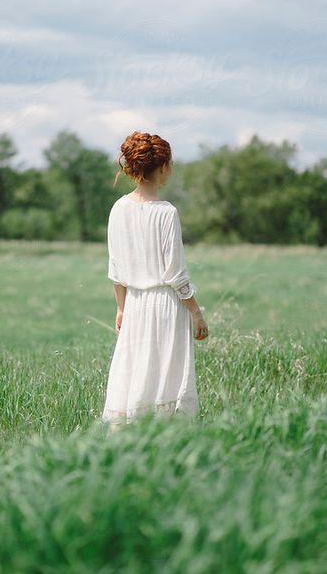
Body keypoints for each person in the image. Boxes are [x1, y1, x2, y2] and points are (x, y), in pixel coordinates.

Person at [101, 131, 209, 433]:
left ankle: (129, 436)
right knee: (165, 375)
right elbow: (175, 274)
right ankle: (165, 436)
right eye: (170, 163)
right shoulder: (166, 213)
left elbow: (116, 268)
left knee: (136, 370)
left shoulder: (118, 209)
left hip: (134, 302)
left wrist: (121, 307)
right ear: (161, 167)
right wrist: (196, 312)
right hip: (165, 305)